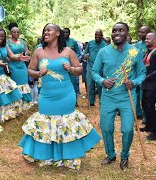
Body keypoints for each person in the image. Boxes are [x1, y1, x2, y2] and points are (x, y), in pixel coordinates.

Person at [19, 23, 101, 170]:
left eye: (49, 30)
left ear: (58, 33)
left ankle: (69, 157)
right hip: (47, 96)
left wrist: (71, 69)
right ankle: (46, 156)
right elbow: (30, 70)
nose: (45, 32)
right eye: (44, 30)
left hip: (66, 94)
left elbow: (80, 69)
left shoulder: (68, 51)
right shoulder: (38, 52)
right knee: (46, 122)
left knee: (66, 123)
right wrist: (38, 74)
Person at [92, 22, 146, 171]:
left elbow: (142, 73)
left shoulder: (135, 52)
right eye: (114, 30)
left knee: (128, 129)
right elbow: (94, 71)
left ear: (127, 34)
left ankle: (124, 156)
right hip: (108, 97)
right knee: (106, 128)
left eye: (121, 30)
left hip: (127, 97)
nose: (117, 33)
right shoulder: (103, 52)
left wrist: (134, 82)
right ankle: (110, 154)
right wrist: (102, 81)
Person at [0, 27, 28, 121]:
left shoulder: (5, 45)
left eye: (2, 36)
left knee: (12, 90)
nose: (0, 38)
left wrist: (19, 58)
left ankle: (8, 114)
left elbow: (12, 56)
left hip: (1, 72)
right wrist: (3, 64)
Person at [139, 32, 156, 140]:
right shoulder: (149, 51)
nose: (145, 41)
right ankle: (149, 126)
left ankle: (155, 133)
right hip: (147, 83)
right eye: (145, 39)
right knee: (145, 105)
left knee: (150, 106)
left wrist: (146, 77)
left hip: (154, 84)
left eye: (148, 39)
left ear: (155, 40)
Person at [7, 22, 32, 111]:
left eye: (18, 32)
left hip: (22, 64)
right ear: (11, 33)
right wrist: (11, 60)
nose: (16, 34)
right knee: (15, 83)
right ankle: (15, 103)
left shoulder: (22, 41)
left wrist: (27, 53)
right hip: (13, 64)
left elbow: (26, 50)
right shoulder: (7, 42)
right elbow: (6, 54)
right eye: (14, 32)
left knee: (24, 82)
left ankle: (24, 103)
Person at [85, 29, 107, 106]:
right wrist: (86, 56)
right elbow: (85, 53)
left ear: (102, 36)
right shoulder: (90, 43)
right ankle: (91, 102)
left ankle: (102, 101)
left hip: (100, 68)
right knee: (90, 84)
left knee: (100, 85)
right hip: (90, 66)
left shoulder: (104, 45)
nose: (97, 37)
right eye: (96, 35)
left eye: (99, 35)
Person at [135, 26, 151, 120]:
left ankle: (146, 118)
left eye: (143, 32)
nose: (140, 34)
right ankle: (138, 113)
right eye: (139, 32)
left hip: (145, 74)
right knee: (135, 94)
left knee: (143, 96)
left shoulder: (149, 45)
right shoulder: (137, 44)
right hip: (135, 74)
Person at [63, 27, 81, 105]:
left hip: (72, 68)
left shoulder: (73, 42)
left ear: (69, 33)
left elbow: (79, 53)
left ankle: (74, 101)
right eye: (64, 32)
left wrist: (73, 61)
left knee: (73, 84)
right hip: (62, 67)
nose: (65, 34)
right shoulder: (58, 42)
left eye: (67, 32)